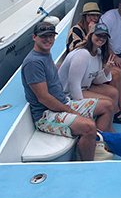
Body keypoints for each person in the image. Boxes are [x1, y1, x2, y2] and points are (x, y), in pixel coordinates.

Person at [21, 21, 115, 161]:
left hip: (64, 103)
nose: (48, 39)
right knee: (89, 126)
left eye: (51, 36)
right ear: (34, 37)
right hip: (45, 115)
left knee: (107, 105)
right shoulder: (33, 63)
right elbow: (43, 98)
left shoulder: (45, 55)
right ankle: (88, 164)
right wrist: (70, 111)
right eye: (43, 36)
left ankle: (97, 148)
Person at [59, 23, 121, 124]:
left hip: (85, 87)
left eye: (104, 36)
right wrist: (81, 108)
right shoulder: (82, 54)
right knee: (108, 102)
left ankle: (108, 122)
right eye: (98, 35)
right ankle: (101, 131)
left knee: (114, 93)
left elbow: (95, 79)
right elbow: (73, 84)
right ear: (91, 35)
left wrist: (106, 70)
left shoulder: (98, 52)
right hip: (69, 93)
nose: (101, 38)